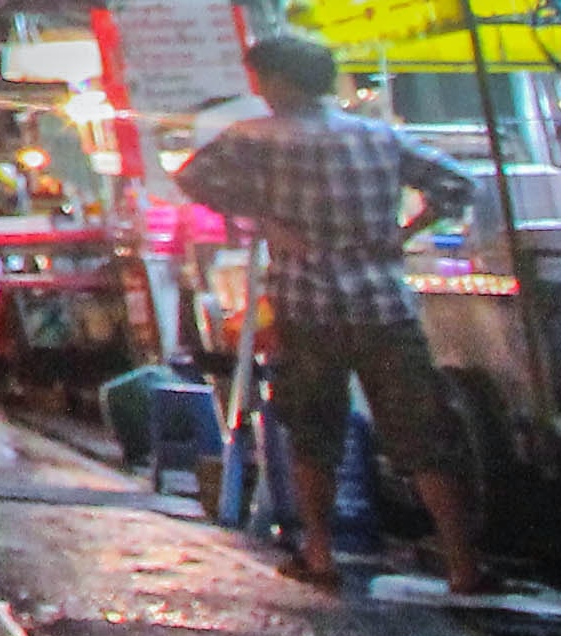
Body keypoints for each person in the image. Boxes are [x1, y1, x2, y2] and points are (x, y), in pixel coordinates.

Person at [173, 30, 497, 595]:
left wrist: (262, 218)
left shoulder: (258, 139)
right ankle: (462, 565)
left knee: (313, 431)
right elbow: (456, 182)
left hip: (308, 305)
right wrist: (405, 232)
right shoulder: (375, 135)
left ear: (278, 81)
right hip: (383, 305)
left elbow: (192, 177)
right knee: (424, 435)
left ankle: (319, 555)